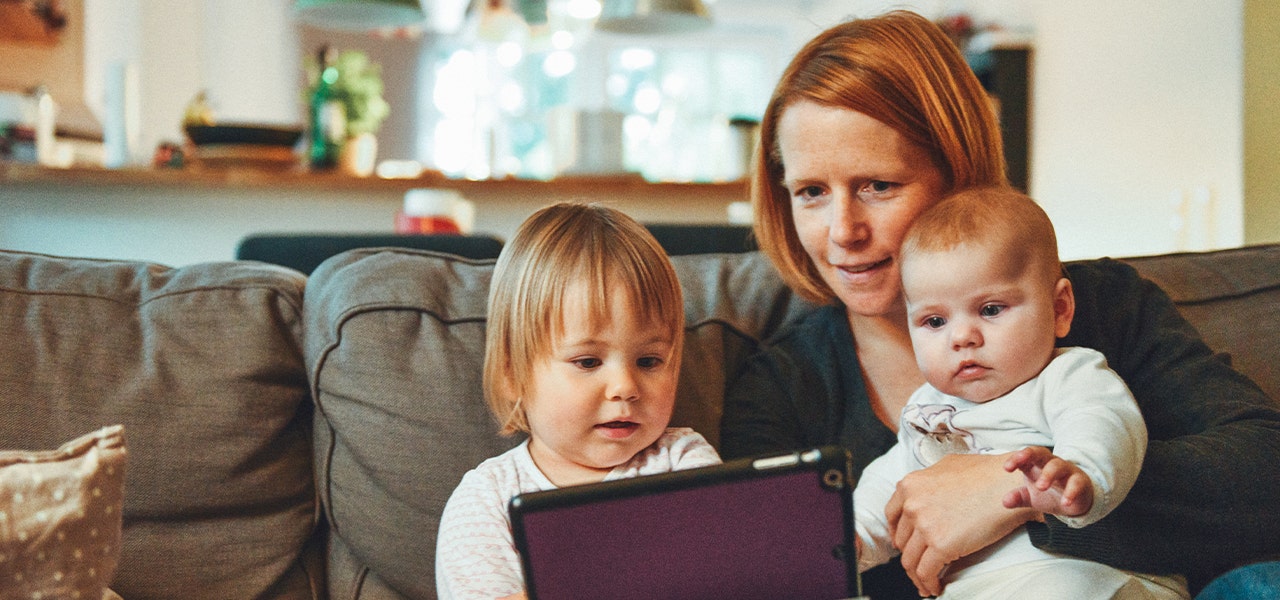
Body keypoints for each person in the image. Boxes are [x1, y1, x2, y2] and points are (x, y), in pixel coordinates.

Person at [719, 9, 1280, 599]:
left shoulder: (1103, 308)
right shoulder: (780, 388)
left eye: (877, 185)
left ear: (957, 171)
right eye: (811, 193)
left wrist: (1013, 493)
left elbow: (1264, 472)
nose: (843, 231)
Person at [854, 186, 1187, 599]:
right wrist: (851, 540)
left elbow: (1103, 423)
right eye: (934, 321)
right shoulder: (927, 408)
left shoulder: (1068, 375)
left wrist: (1079, 475)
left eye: (991, 310)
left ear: (1060, 309)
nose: (961, 337)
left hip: (1086, 580)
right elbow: (890, 482)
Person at [435, 202, 722, 600]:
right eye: (587, 361)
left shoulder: (683, 461)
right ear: (512, 375)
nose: (625, 387)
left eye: (649, 360)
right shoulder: (487, 499)